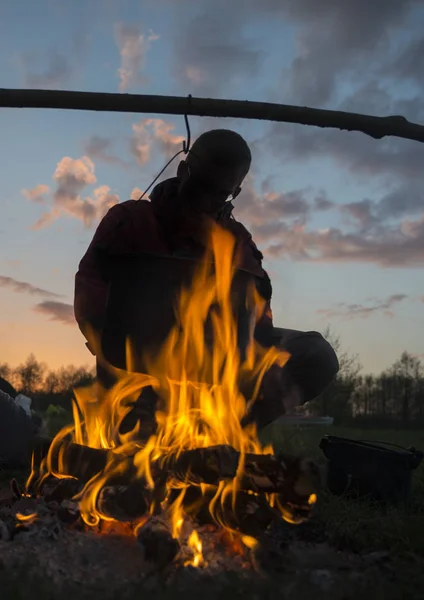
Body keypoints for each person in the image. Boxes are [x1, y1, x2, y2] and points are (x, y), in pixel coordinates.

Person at [74, 129, 339, 431]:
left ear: (234, 192)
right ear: (183, 170)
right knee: (140, 457)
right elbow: (90, 296)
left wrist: (263, 366)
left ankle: (228, 433)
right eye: (199, 188)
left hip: (220, 368)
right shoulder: (130, 220)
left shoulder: (238, 243)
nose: (205, 202)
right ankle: (142, 427)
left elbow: (259, 318)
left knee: (317, 356)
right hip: (137, 364)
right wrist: (115, 352)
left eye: (218, 194)